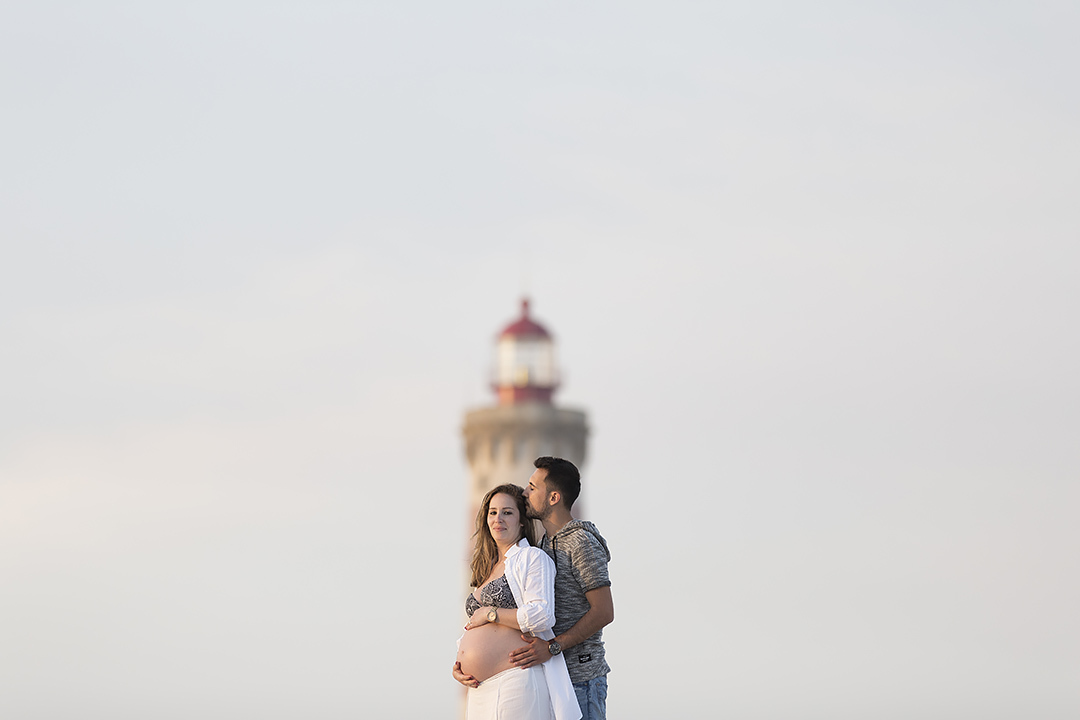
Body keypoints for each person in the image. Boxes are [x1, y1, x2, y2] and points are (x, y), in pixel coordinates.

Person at [452, 484, 580, 720]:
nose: (498, 519)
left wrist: (491, 613)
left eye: (507, 512)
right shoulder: (486, 568)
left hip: (514, 680)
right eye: (493, 512)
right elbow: (475, 624)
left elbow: (542, 614)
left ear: (521, 520)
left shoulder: (532, 557)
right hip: (478, 689)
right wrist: (460, 662)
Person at [511, 457, 614, 720]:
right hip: (551, 678)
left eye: (532, 487)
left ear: (554, 497)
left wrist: (552, 648)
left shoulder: (581, 543)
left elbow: (603, 611)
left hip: (581, 681)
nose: (525, 493)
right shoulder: (542, 545)